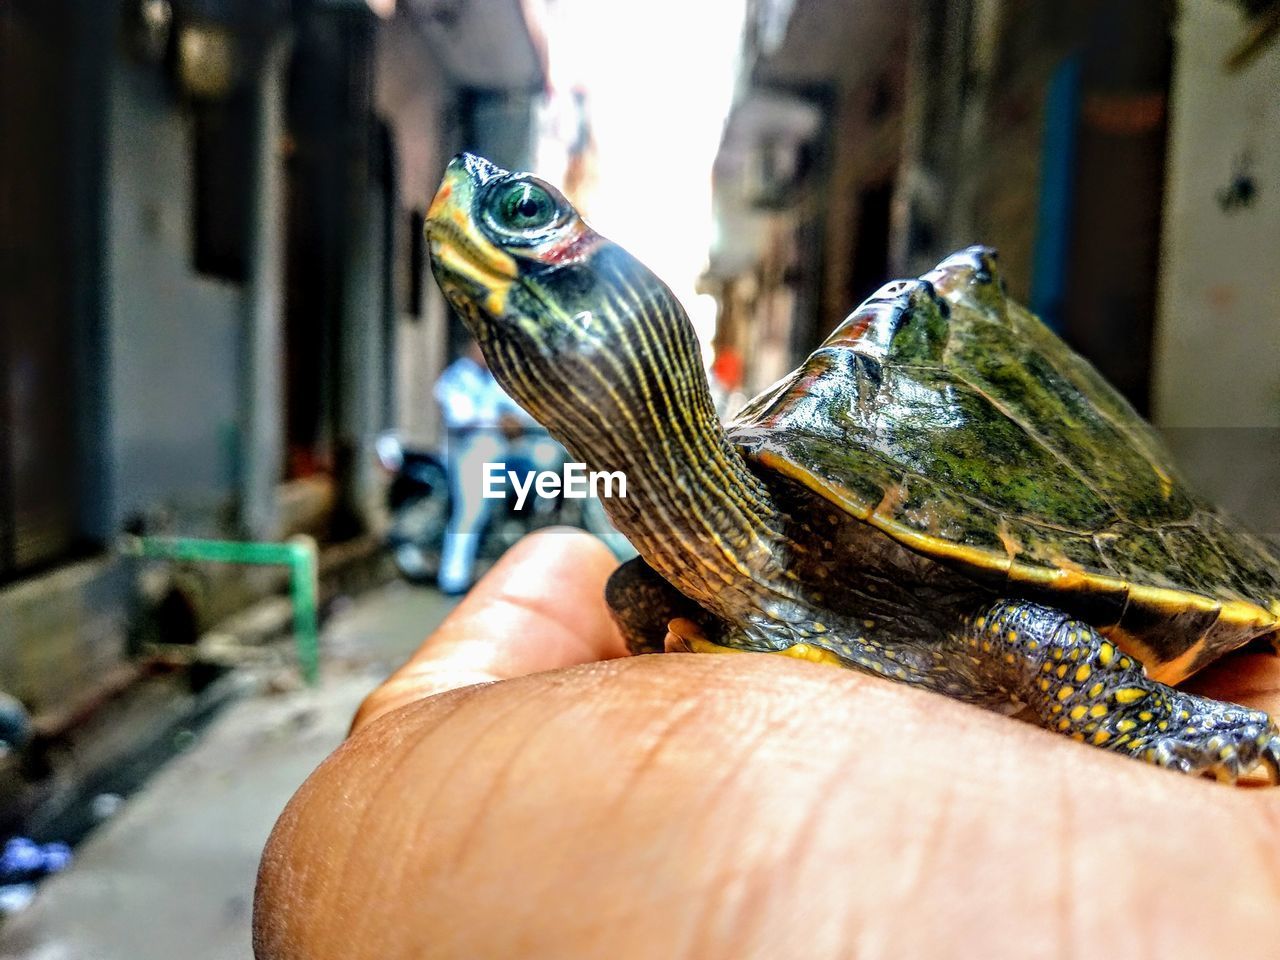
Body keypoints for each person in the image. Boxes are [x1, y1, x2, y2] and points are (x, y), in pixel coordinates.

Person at [253, 529, 1280, 959]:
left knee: (1012, 636)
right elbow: (640, 595)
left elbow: (1024, 633)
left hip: (1045, 605)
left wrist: (1147, 722)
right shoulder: (677, 576)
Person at [432, 341, 527, 594]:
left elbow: (518, 410)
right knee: (471, 512)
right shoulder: (456, 378)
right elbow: (459, 416)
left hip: (500, 453)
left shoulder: (495, 380)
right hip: (468, 453)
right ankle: (454, 578)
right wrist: (498, 420)